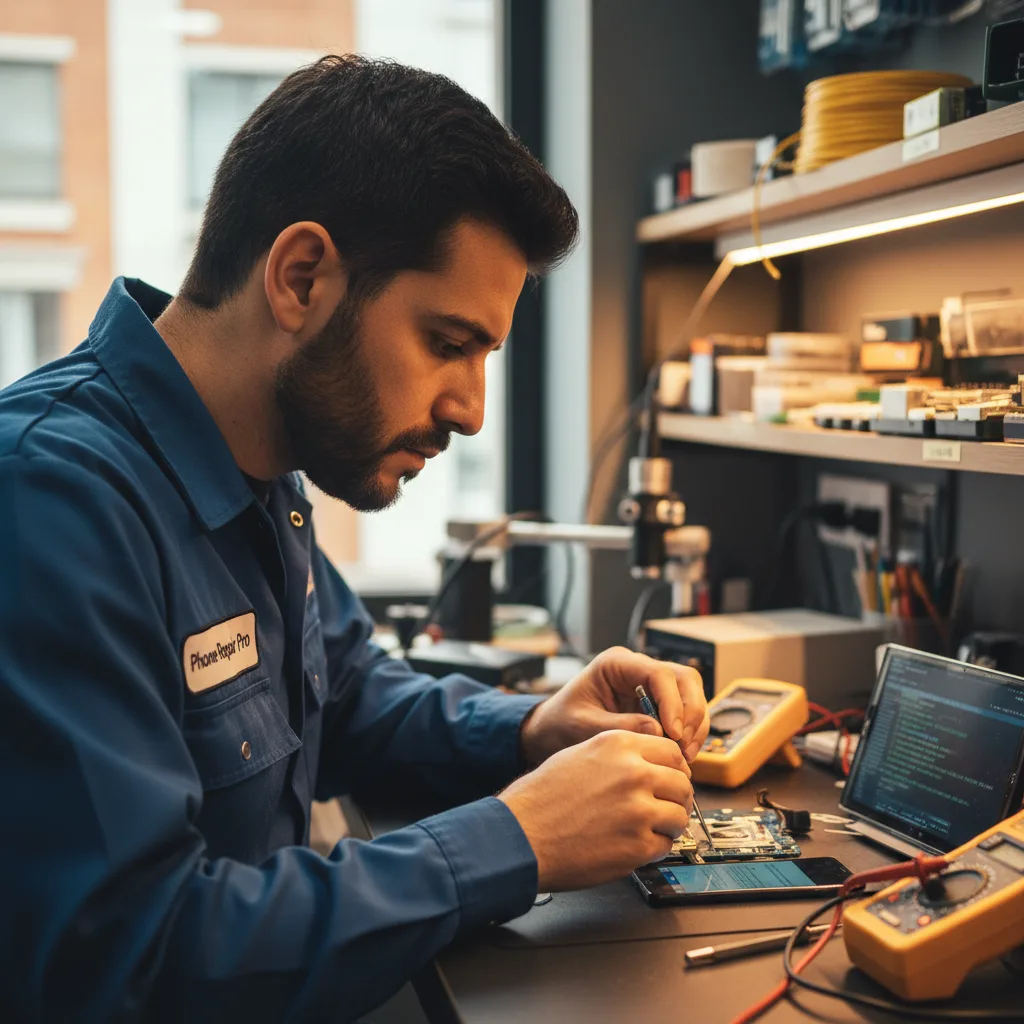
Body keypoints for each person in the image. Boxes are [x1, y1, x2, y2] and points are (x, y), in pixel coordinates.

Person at [0, 56, 708, 1022]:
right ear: (302, 278)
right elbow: (134, 954)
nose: (469, 411)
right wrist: (517, 837)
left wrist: (536, 729)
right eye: (448, 343)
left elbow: (350, 695)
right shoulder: (49, 500)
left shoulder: (260, 468)